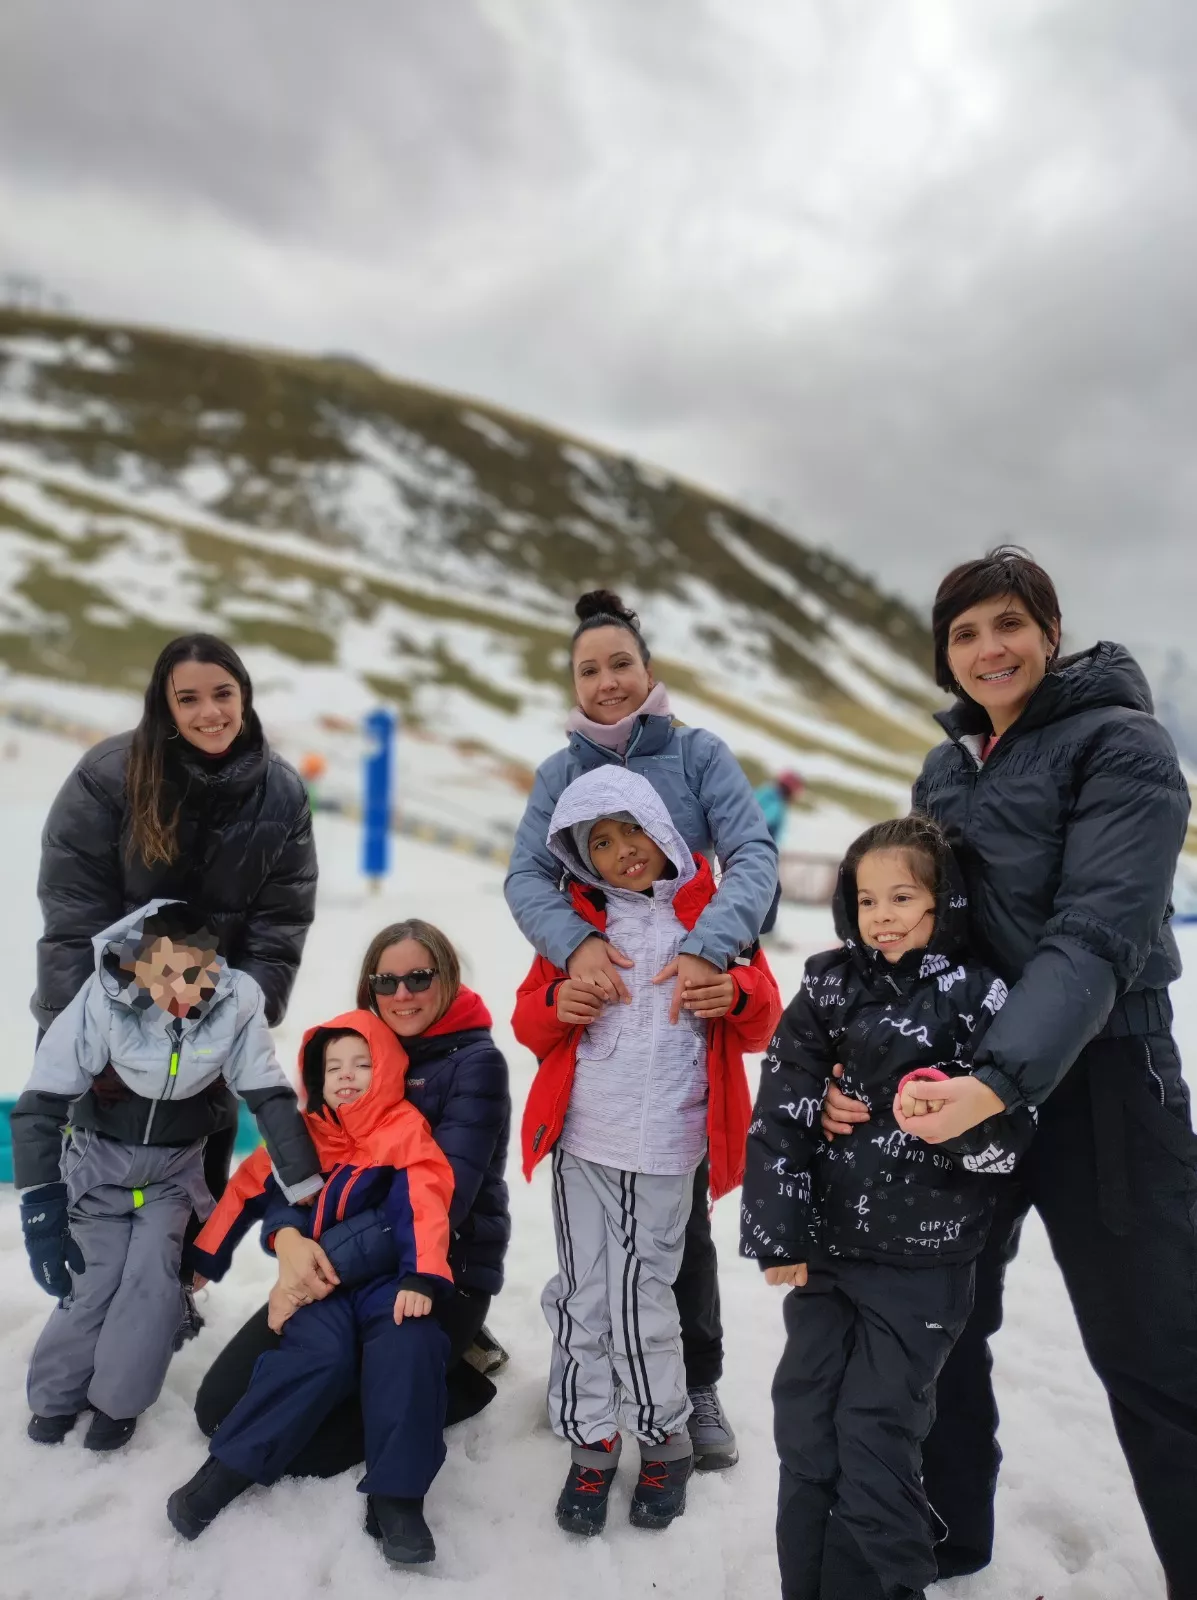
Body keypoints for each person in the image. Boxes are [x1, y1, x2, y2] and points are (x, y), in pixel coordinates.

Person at [821, 547, 1196, 1595]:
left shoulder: (1123, 747)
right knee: (945, 1321)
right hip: (966, 1084)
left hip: (1106, 1084)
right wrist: (866, 1056)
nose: (989, 648)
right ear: (946, 655)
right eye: (966, 633)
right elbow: (915, 935)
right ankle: (950, 1536)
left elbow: (1095, 935)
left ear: (1048, 630)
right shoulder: (944, 771)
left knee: (1157, 1351)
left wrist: (998, 1078)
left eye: (1008, 624)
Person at [505, 588, 779, 1469]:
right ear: (574, 685)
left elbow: (753, 856)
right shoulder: (558, 773)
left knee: (678, 1230)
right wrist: (577, 945)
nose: (607, 681)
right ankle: (589, 1377)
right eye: (589, 670)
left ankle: (691, 1385)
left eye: (620, 663)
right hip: (608, 1021)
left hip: (686, 1012)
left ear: (648, 670)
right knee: (590, 1238)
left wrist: (711, 949)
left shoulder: (697, 755)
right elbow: (524, 879)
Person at [741, 816, 1034, 1600]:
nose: (883, 916)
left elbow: (1010, 1138)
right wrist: (777, 1232)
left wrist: (955, 1123)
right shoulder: (829, 983)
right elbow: (780, 1104)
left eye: (902, 895)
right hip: (827, 1255)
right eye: (866, 899)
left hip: (922, 1265)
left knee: (874, 1435)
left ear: (944, 901)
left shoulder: (981, 995)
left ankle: (890, 1587)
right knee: (804, 1426)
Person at [32, 632, 318, 1310]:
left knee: (189, 1186)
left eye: (222, 694)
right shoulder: (108, 779)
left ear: (243, 696)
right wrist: (81, 1041)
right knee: (101, 1205)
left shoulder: (279, 793)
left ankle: (169, 1306)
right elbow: (73, 923)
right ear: (163, 706)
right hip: (110, 1028)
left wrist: (240, 1008)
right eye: (187, 699)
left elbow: (280, 925)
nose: (209, 712)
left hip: (207, 1021)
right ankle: (85, 1319)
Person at [193, 919, 512, 1468]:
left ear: (448, 976)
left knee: (304, 1444)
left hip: (438, 1271)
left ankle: (457, 1382)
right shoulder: (354, 1053)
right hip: (340, 1269)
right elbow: (303, 1159)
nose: (402, 994)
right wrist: (288, 1236)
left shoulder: (475, 1066)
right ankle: (436, 1365)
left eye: (419, 977)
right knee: (221, 1411)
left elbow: (442, 1200)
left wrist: (308, 1273)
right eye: (385, 982)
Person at [12, 900, 321, 1453]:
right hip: (101, 1162)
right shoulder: (104, 1002)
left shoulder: (235, 1001)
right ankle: (54, 1397)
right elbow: (43, 1099)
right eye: (169, 974)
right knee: (92, 1278)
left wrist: (305, 1189)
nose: (188, 988)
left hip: (174, 1169)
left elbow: (270, 1096)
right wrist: (41, 1208)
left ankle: (118, 1403)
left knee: (154, 1283)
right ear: (139, 969)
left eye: (199, 971)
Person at [168, 1010, 456, 1567]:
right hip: (319, 1286)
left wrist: (421, 1273)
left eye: (363, 1064)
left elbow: (426, 1195)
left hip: (388, 1282)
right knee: (315, 1356)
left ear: (389, 1070)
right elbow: (248, 1188)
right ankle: (225, 1470)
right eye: (333, 1067)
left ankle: (397, 1497)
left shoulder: (402, 1130)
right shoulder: (302, 1135)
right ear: (315, 1077)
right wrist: (206, 1254)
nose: (346, 1075)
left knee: (409, 1344)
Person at [754, 771, 805, 938]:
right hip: (760, 853)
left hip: (754, 851)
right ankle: (764, 932)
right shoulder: (774, 803)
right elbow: (762, 822)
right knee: (770, 891)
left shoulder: (764, 794)